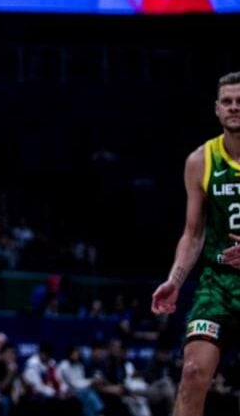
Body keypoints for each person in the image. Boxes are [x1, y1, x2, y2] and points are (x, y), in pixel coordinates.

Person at [151, 70, 240, 416]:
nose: (234, 108)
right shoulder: (200, 161)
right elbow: (193, 233)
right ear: (217, 109)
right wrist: (174, 281)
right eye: (228, 102)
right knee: (191, 374)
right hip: (216, 284)